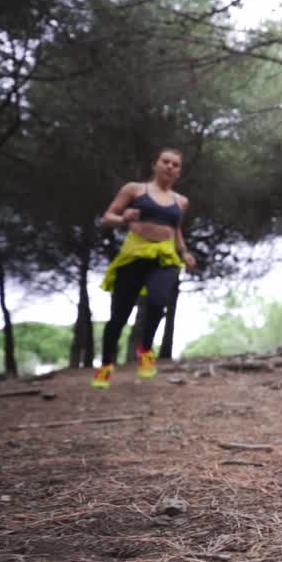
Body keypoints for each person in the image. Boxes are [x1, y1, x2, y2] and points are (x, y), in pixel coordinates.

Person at [92, 148, 197, 389]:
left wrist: (184, 252)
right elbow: (108, 216)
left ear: (179, 172)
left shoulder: (181, 201)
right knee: (119, 316)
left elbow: (175, 229)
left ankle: (145, 348)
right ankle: (106, 364)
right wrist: (123, 218)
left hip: (164, 256)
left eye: (175, 165)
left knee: (159, 302)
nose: (170, 166)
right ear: (155, 164)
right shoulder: (135, 189)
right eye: (165, 161)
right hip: (135, 254)